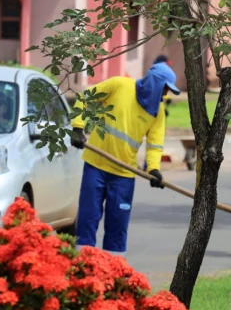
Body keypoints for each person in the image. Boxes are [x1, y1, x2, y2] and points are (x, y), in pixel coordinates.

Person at [69, 63, 180, 256]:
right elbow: (85, 97)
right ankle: (82, 269)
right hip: (96, 166)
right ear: (155, 83)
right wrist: (78, 127)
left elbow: (155, 144)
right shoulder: (119, 85)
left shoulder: (157, 112)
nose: (165, 95)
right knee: (88, 219)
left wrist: (153, 169)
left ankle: (114, 274)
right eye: (165, 89)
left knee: (117, 226)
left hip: (124, 175)